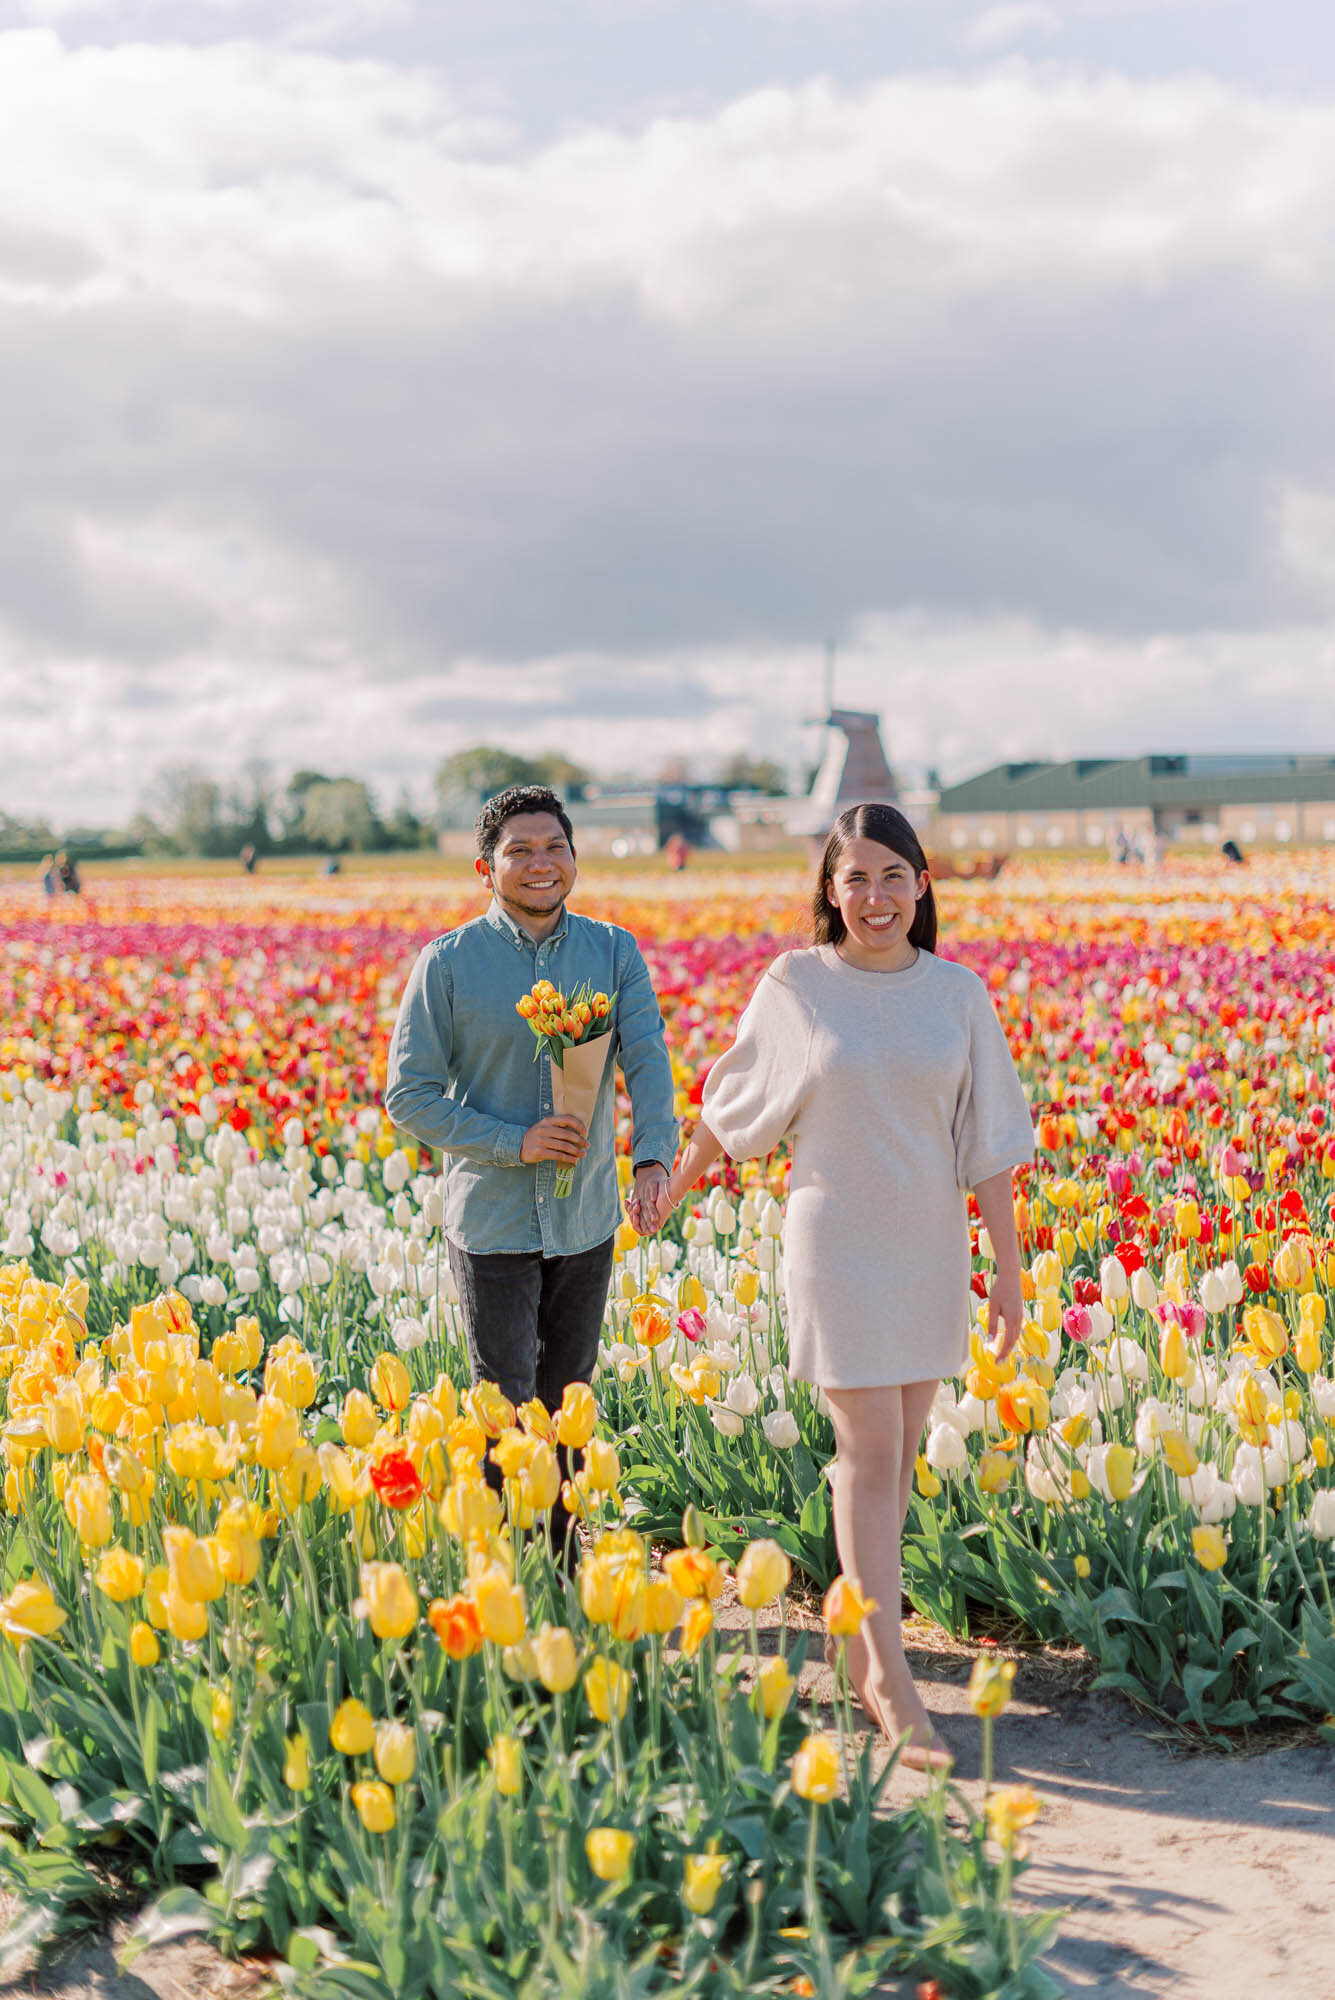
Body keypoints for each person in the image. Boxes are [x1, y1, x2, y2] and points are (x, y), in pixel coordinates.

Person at [662, 801, 1034, 1767]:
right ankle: (888, 1677)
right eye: (854, 878)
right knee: (870, 1452)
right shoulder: (797, 985)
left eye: (892, 876)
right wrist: (668, 1183)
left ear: (922, 885)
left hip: (926, 1246)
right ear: (828, 890)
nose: (874, 897)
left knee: (899, 1452)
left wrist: (1008, 1270)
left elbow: (987, 1144)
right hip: (834, 1244)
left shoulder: (957, 995)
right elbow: (733, 1101)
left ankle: (846, 1628)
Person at [384, 784, 677, 1546]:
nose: (539, 864)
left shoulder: (612, 951)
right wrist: (513, 1140)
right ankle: (508, 1567)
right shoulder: (446, 964)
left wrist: (653, 1159)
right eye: (519, 851)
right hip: (492, 1220)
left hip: (584, 1215)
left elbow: (645, 1060)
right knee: (506, 1404)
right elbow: (407, 1096)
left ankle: (562, 1562)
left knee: (569, 1399)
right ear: (486, 869)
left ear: (575, 857)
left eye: (554, 847)